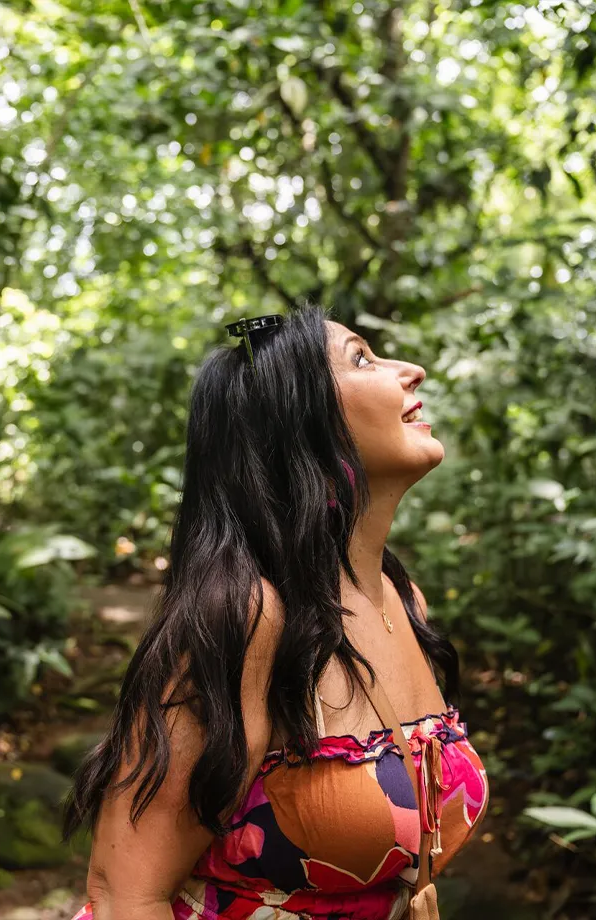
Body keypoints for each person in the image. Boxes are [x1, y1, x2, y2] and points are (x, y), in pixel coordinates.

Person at [64, 303, 489, 920]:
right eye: (361, 358)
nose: (413, 371)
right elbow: (126, 893)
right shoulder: (250, 616)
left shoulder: (404, 598)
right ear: (298, 423)